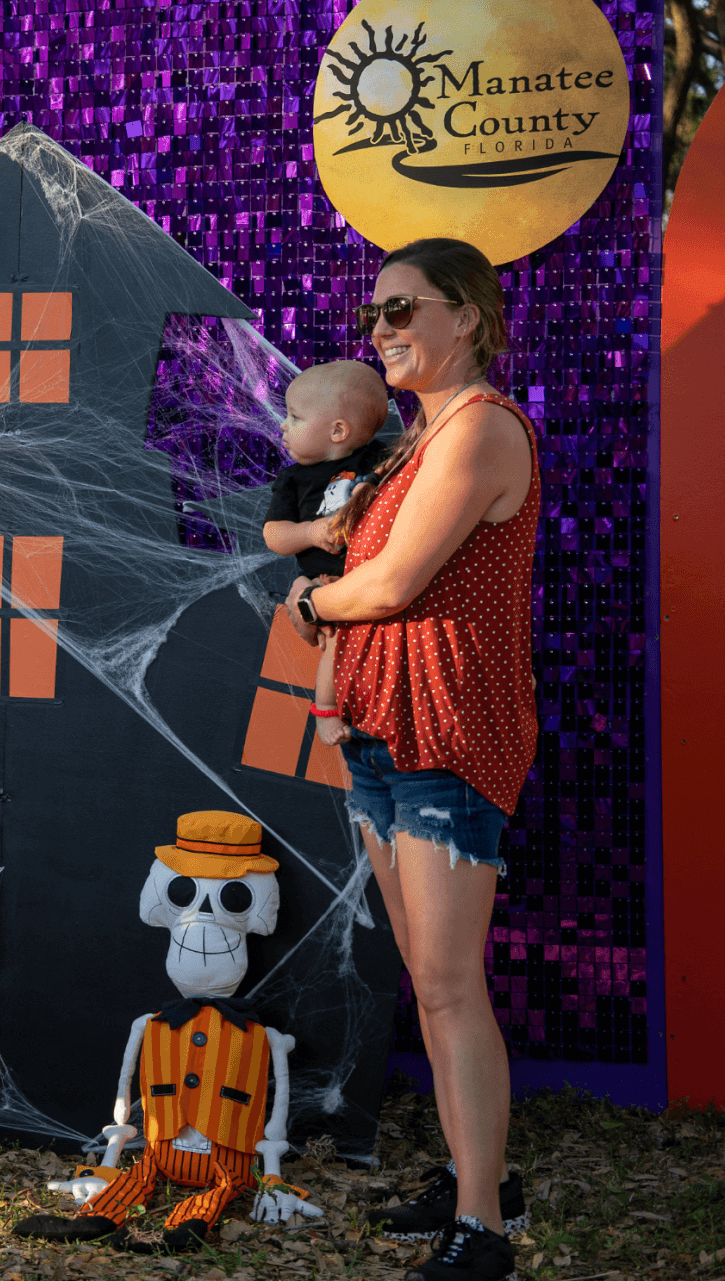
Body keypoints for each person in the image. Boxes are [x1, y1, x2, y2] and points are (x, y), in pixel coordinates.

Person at [284, 238, 538, 1281]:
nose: (380, 330)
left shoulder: (480, 430)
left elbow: (383, 587)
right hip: (385, 733)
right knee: (427, 981)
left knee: (444, 983)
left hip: (451, 733)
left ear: (466, 316)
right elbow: (359, 569)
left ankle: (482, 1221)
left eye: (402, 310)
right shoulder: (410, 444)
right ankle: (478, 1176)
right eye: (373, 314)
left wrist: (310, 601)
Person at [261, 359, 391, 750]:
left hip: (362, 582)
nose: (283, 425)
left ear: (339, 431)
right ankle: (325, 710)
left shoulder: (376, 461)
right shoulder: (294, 477)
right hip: (325, 582)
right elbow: (274, 535)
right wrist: (312, 531)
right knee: (335, 643)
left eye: (295, 417)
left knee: (353, 643)